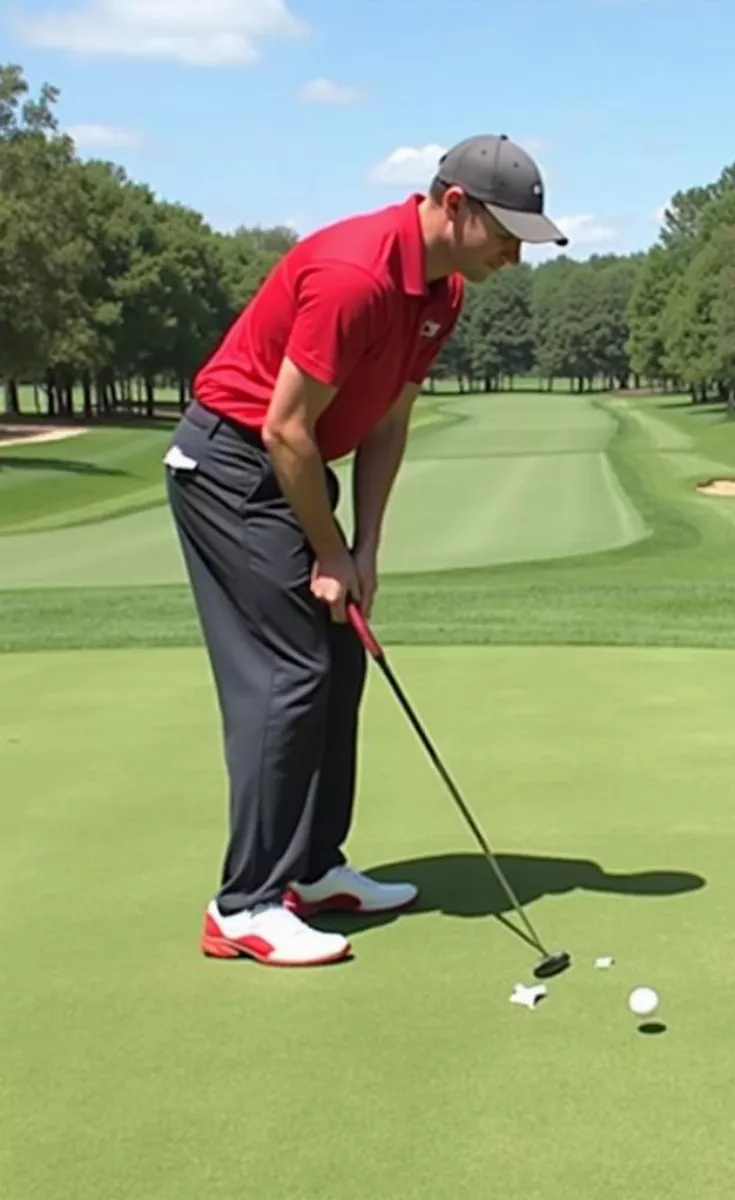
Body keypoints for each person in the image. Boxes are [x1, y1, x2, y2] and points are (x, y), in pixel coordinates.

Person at [163, 135, 568, 968]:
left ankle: (309, 870)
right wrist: (326, 550)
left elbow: (388, 421)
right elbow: (284, 428)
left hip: (292, 469)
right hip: (232, 465)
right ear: (454, 206)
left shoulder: (444, 292)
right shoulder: (355, 275)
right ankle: (242, 904)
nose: (515, 257)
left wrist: (366, 549)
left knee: (341, 659)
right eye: (508, 235)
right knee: (292, 671)